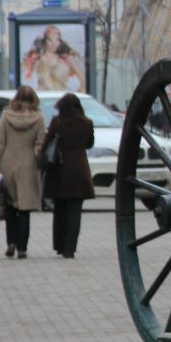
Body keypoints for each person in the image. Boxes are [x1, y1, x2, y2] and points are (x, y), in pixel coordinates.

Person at [0, 86, 46, 259]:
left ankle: (11, 243)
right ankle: (23, 248)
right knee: (24, 209)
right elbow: (40, 145)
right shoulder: (39, 118)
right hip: (27, 167)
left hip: (7, 164)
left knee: (10, 207)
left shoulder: (6, 116)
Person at [41, 93, 95, 259]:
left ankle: (59, 245)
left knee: (60, 211)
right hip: (79, 170)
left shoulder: (57, 122)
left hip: (60, 170)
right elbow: (89, 143)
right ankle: (70, 248)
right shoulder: (87, 123)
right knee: (75, 212)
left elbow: (46, 144)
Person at [22, 24, 87, 93]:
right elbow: (20, 72)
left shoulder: (66, 59)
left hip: (62, 97)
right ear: (45, 41)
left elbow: (82, 78)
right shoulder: (36, 58)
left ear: (60, 41)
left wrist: (80, 93)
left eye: (57, 40)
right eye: (50, 40)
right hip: (43, 97)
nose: (54, 44)